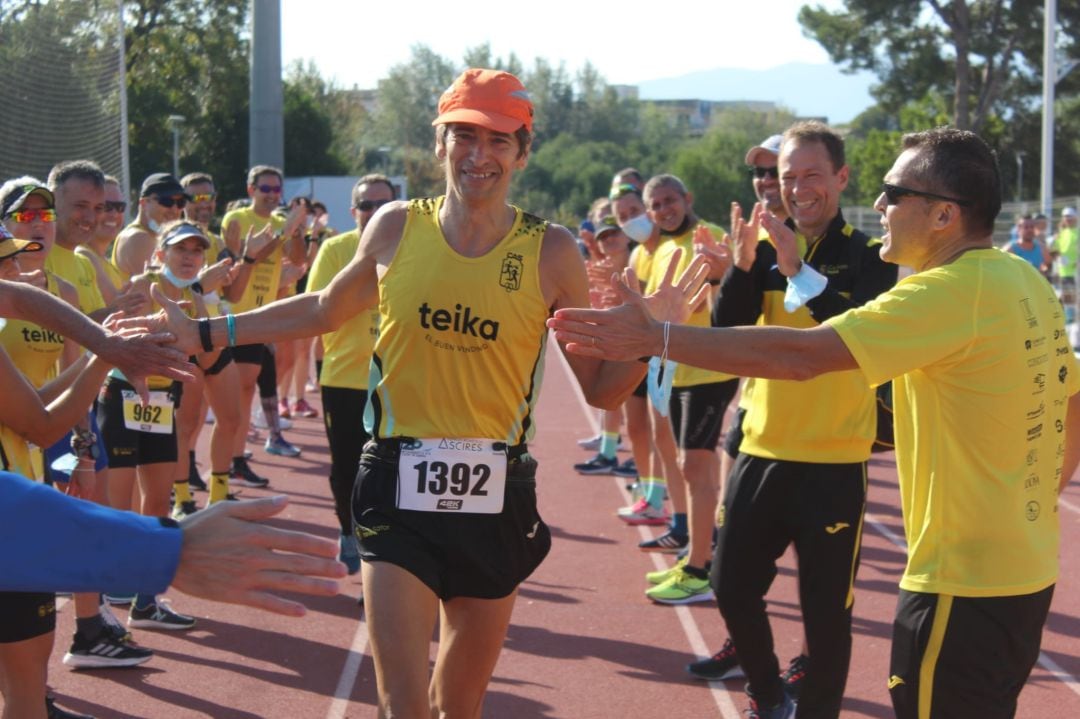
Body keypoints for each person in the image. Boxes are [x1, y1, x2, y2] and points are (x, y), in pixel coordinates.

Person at [142, 67, 701, 718]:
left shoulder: (549, 252)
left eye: (497, 140)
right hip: (396, 484)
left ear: (522, 152)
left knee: (456, 706)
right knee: (401, 704)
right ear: (439, 144)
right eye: (463, 135)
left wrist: (653, 336)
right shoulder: (396, 227)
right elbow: (321, 309)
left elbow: (602, 392)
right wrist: (206, 329)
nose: (478, 155)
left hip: (497, 495)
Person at [549, 127, 1077, 719]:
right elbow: (1072, 399)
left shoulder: (946, 291)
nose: (880, 206)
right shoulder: (1023, 279)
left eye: (894, 192)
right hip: (1024, 568)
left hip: (960, 583)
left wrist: (658, 337)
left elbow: (801, 357)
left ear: (943, 215)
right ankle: (769, 692)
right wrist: (1031, 499)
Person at [306, 175, 394, 576]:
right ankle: (348, 533)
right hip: (343, 379)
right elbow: (318, 309)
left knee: (390, 470)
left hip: (397, 380)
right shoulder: (335, 249)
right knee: (346, 468)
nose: (374, 212)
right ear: (353, 211)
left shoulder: (412, 249)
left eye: (383, 205)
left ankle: (383, 550)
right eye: (366, 205)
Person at [219, 165, 307, 469]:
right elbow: (242, 258)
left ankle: (236, 457)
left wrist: (298, 230)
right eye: (265, 189)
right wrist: (283, 232)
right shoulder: (237, 219)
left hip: (263, 317)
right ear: (251, 191)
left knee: (248, 391)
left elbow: (298, 259)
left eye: (276, 190)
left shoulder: (284, 222)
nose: (271, 195)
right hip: (235, 315)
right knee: (239, 390)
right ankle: (226, 460)